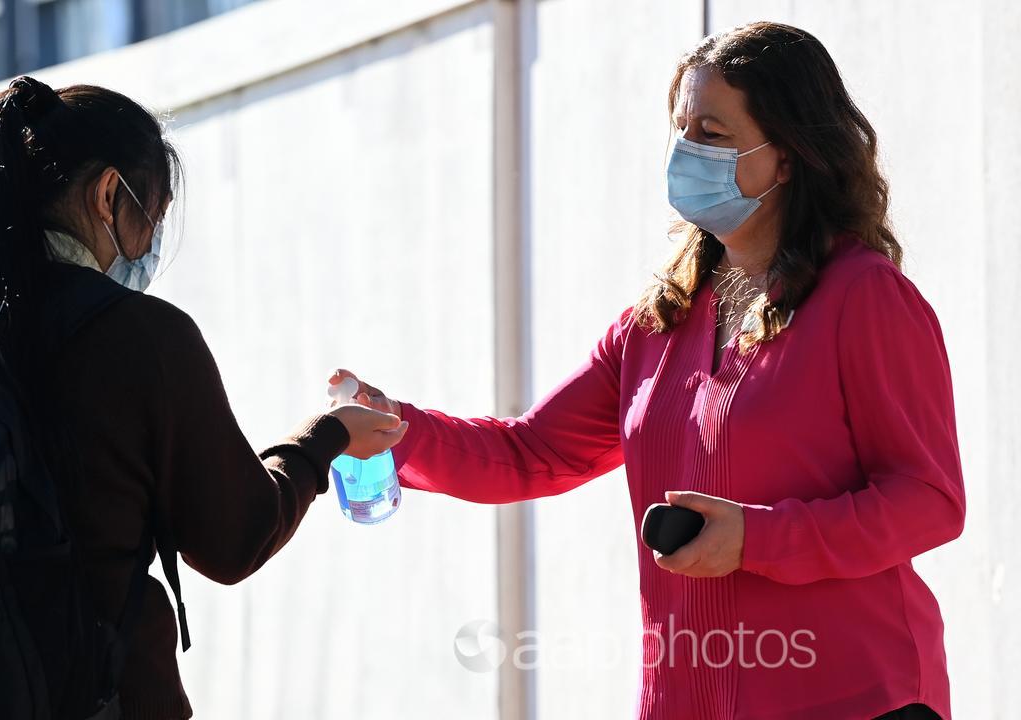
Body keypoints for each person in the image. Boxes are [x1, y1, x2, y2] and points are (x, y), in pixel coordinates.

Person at [332, 22, 963, 720]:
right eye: (682, 129)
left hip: (855, 697)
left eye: (713, 133)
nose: (688, 150)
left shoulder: (864, 296)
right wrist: (395, 429)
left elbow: (928, 499)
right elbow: (529, 453)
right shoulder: (658, 322)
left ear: (787, 157)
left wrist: (758, 539)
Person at [0, 76, 408, 719]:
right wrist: (326, 439)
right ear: (110, 194)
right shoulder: (137, 336)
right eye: (153, 220)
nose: (149, 250)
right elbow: (233, 539)